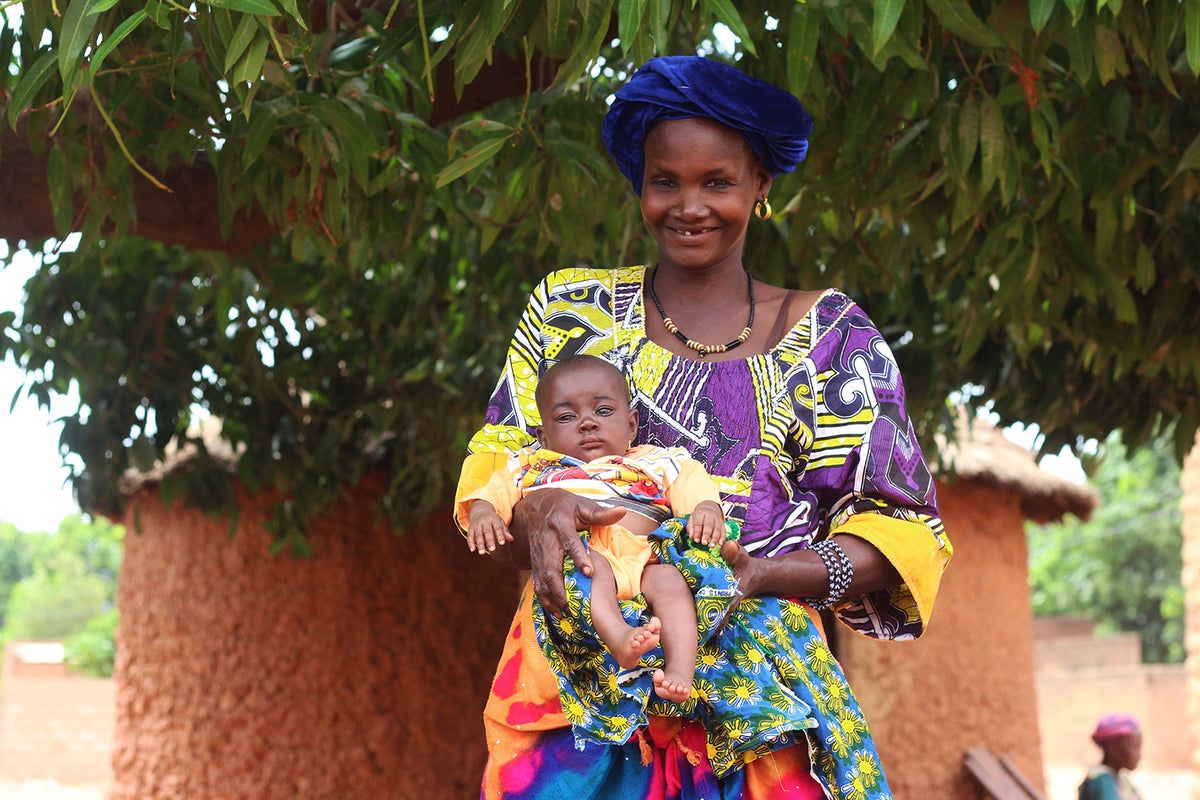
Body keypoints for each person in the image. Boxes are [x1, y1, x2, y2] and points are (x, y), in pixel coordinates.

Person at [455, 55, 954, 800]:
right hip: (581, 686)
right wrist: (532, 512)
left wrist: (763, 574)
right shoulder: (570, 313)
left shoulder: (832, 339)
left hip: (764, 693)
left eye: (717, 181)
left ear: (760, 186)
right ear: (641, 185)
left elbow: (902, 528)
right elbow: (500, 486)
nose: (689, 206)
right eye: (666, 182)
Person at [461, 354, 730, 704]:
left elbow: (691, 483)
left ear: (632, 424)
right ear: (543, 436)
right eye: (567, 417)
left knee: (672, 583)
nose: (587, 424)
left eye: (603, 412)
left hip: (643, 558)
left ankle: (680, 671)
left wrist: (706, 508)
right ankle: (620, 637)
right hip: (581, 558)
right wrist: (484, 512)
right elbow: (494, 491)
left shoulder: (657, 460)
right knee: (592, 566)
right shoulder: (534, 465)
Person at [1078, 714, 1144, 800]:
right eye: (1134, 747)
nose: (1139, 755)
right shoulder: (1101, 780)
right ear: (1112, 747)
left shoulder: (1122, 780)